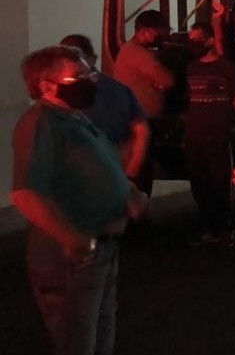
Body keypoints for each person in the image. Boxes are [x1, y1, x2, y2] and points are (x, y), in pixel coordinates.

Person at [12, 46, 147, 355]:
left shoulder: (74, 119)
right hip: (71, 260)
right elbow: (25, 194)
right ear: (47, 86)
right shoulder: (42, 125)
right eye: (80, 76)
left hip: (100, 249)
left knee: (99, 335)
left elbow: (95, 168)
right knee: (77, 341)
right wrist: (71, 237)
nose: (92, 81)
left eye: (91, 73)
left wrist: (126, 192)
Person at [184, 23, 235, 244]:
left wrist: (224, 116)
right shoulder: (191, 68)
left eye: (197, 39)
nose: (193, 44)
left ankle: (226, 229)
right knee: (199, 185)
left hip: (217, 134)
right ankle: (207, 229)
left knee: (220, 184)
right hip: (194, 135)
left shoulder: (226, 68)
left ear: (210, 40)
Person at [58, 35, 149, 183]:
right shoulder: (119, 89)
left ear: (92, 59)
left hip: (90, 172)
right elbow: (141, 130)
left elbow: (140, 129)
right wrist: (133, 167)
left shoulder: (65, 95)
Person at [112, 9, 173, 195]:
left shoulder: (132, 51)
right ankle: (137, 215)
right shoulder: (137, 53)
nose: (161, 38)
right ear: (145, 31)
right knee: (140, 173)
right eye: (158, 34)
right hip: (139, 122)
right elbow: (167, 80)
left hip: (139, 120)